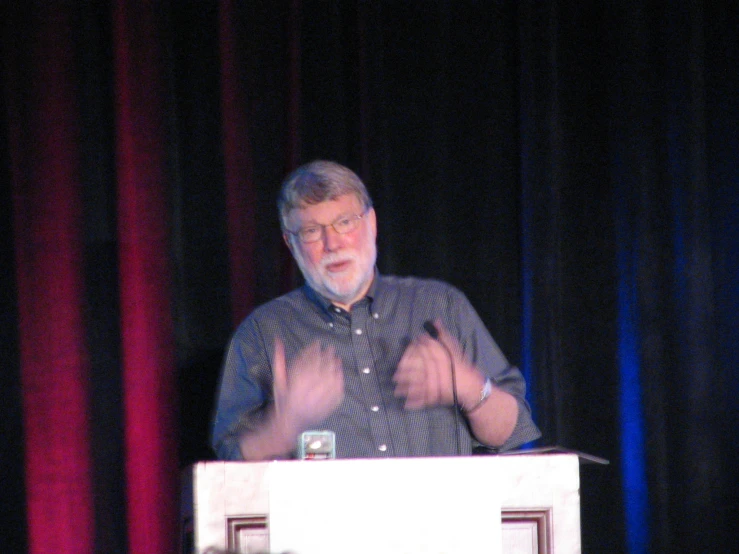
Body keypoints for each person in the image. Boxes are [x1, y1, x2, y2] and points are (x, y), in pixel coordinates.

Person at [211, 160, 540, 460]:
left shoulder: (441, 306)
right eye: (312, 231)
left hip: (441, 518)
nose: (333, 243)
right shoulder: (263, 332)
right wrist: (282, 428)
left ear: (372, 223)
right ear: (290, 242)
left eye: (344, 222)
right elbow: (228, 465)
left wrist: (470, 388)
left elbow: (511, 432)